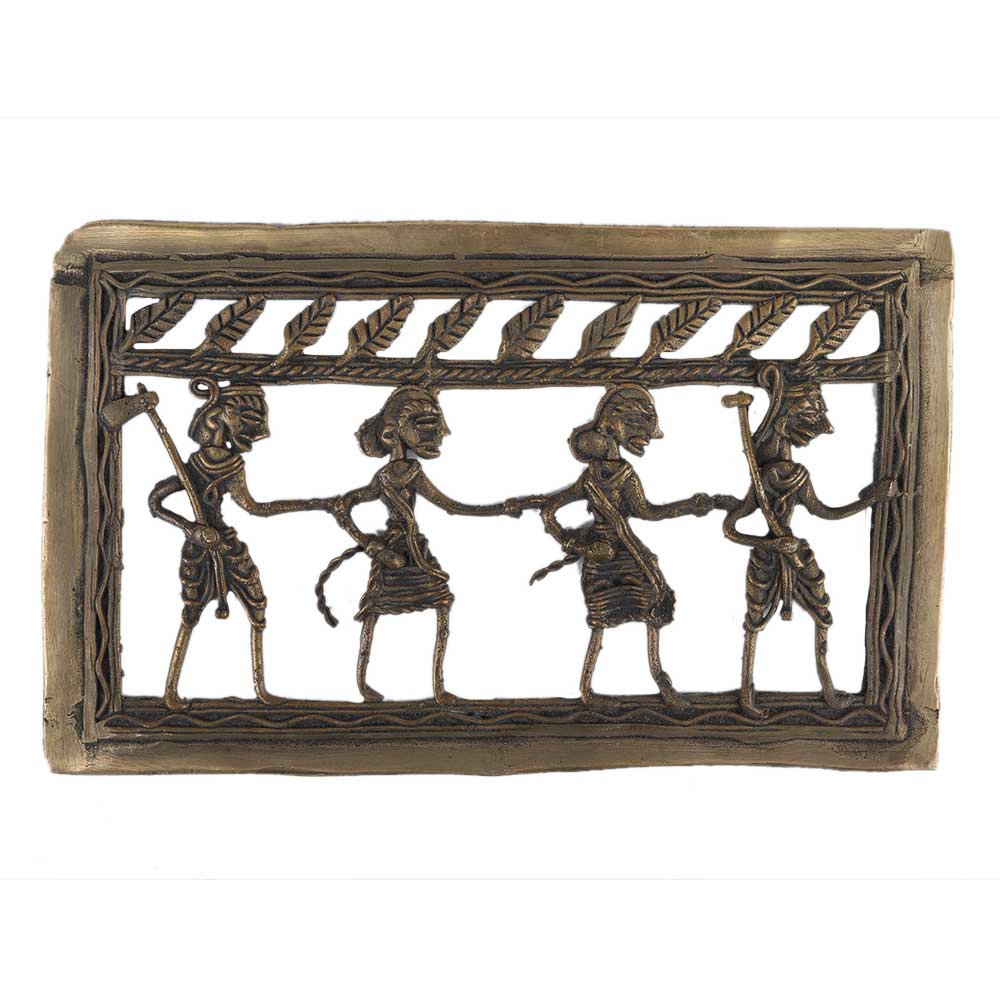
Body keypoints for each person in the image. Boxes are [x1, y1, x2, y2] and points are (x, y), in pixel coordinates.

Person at [321, 386, 530, 704]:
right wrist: (371, 545)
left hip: (412, 552)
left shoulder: (400, 474)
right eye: (425, 424)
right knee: (378, 612)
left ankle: (435, 688)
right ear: (394, 433)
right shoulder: (391, 476)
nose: (439, 432)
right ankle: (366, 685)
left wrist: (500, 509)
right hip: (396, 553)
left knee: (438, 604)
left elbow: (450, 506)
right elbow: (450, 506)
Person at [531, 384, 733, 709]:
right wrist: (574, 543)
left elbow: (646, 512)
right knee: (600, 617)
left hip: (627, 553)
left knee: (651, 605)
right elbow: (549, 511)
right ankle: (587, 690)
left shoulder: (625, 475)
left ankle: (659, 677)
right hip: (601, 557)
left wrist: (689, 506)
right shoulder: (590, 478)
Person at [722, 365, 897, 718]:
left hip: (798, 555)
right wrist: (771, 546)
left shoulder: (799, 476)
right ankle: (746, 695)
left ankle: (827, 688)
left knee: (821, 615)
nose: (825, 428)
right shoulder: (764, 478)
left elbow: (825, 512)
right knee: (755, 622)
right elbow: (730, 527)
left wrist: (870, 500)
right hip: (768, 557)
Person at [149, 378, 328, 710]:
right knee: (191, 610)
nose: (259, 431)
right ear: (222, 416)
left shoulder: (233, 465)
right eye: (249, 419)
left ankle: (261, 688)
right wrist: (190, 529)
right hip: (200, 547)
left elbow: (255, 507)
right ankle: (171, 690)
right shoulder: (192, 466)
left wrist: (310, 504)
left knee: (256, 607)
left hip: (226, 545)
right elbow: (155, 503)